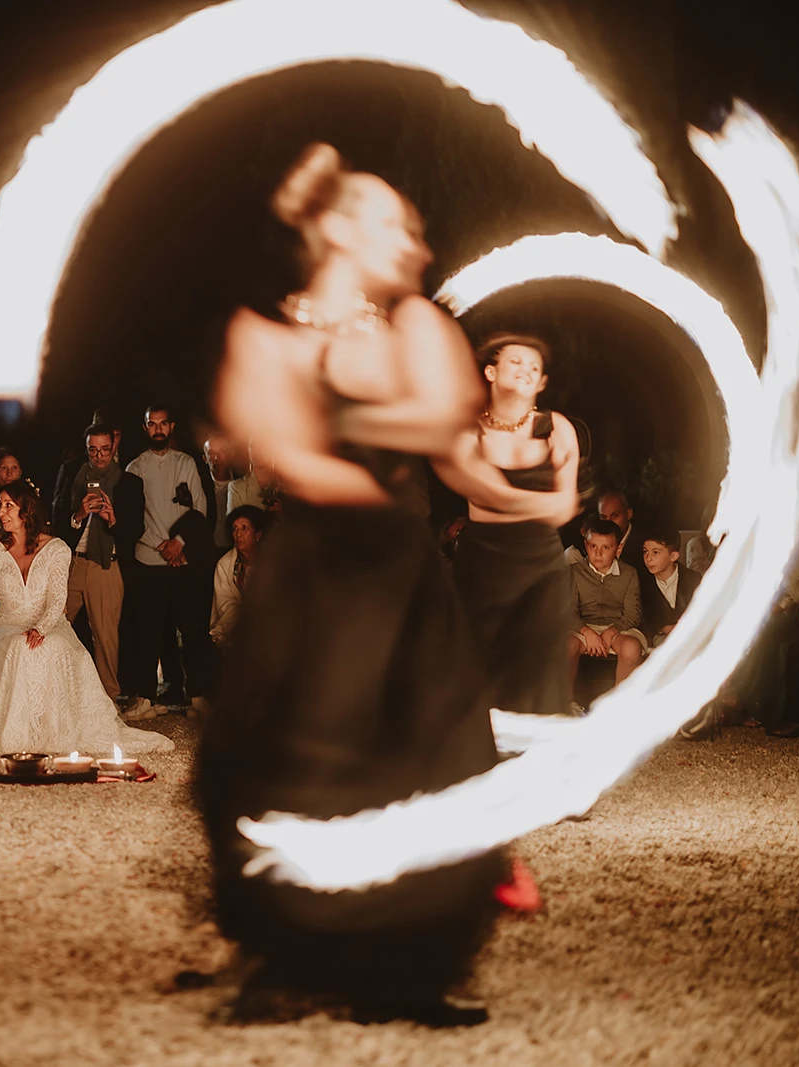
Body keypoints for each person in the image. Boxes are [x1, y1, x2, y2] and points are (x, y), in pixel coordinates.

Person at [198, 143, 548, 1025]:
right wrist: (321, 412)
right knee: (289, 756)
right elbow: (295, 462)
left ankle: (408, 967)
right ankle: (286, 956)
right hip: (313, 576)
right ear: (336, 227)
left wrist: (327, 407)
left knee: (425, 756)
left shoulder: (416, 325)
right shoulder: (266, 332)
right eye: (398, 223)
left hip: (398, 573)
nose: (418, 245)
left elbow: (441, 414)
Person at [0, 481, 173, 756]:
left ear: (27, 510)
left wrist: (42, 628)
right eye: (0, 505)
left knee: (53, 646)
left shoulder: (57, 548)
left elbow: (58, 598)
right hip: (9, 625)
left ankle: (57, 729)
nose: (2, 512)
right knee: (19, 647)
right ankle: (20, 734)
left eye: (8, 505)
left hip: (50, 623)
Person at [440, 334, 580, 717]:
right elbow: (484, 496)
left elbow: (563, 509)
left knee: (537, 675)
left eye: (534, 368)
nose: (526, 371)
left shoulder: (557, 429)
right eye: (516, 362)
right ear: (490, 371)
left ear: (542, 384)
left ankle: (534, 767)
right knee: (480, 671)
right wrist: (540, 503)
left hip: (541, 568)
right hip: (484, 563)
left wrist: (509, 501)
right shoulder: (468, 430)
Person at [125, 405, 215, 716]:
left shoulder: (186, 463)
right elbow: (130, 520)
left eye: (163, 424)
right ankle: (146, 699)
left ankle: (199, 697)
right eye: (152, 424)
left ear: (171, 426)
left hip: (183, 559)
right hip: (149, 560)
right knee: (147, 632)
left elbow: (200, 509)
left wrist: (178, 544)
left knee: (192, 630)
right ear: (145, 427)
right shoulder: (134, 469)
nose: (158, 429)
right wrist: (161, 547)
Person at [60, 423, 146, 711]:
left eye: (105, 450)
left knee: (105, 637)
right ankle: (53, 694)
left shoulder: (130, 483)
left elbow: (136, 530)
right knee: (52, 624)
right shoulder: (72, 474)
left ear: (115, 447)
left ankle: (107, 702)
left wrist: (113, 520)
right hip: (72, 563)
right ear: (86, 449)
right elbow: (56, 519)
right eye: (93, 450)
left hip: (107, 565)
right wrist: (79, 514)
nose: (99, 456)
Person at [567, 518, 645, 691]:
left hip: (618, 628)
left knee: (632, 648)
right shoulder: (573, 572)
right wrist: (587, 632)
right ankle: (565, 704)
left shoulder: (629, 574)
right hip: (582, 628)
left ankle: (620, 704)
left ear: (618, 549)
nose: (598, 553)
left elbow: (633, 614)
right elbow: (567, 612)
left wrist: (612, 631)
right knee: (565, 647)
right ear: (586, 546)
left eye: (606, 548)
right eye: (593, 546)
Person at [209, 505, 268, 649]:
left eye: (244, 528)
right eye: (234, 529)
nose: (238, 534)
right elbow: (225, 602)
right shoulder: (226, 564)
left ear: (258, 534)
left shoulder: (272, 561)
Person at [637, 528, 700, 647]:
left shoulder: (693, 579)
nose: (648, 558)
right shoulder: (642, 582)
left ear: (673, 556)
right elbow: (643, 617)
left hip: (691, 634)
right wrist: (664, 628)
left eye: (655, 552)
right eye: (645, 551)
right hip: (660, 636)